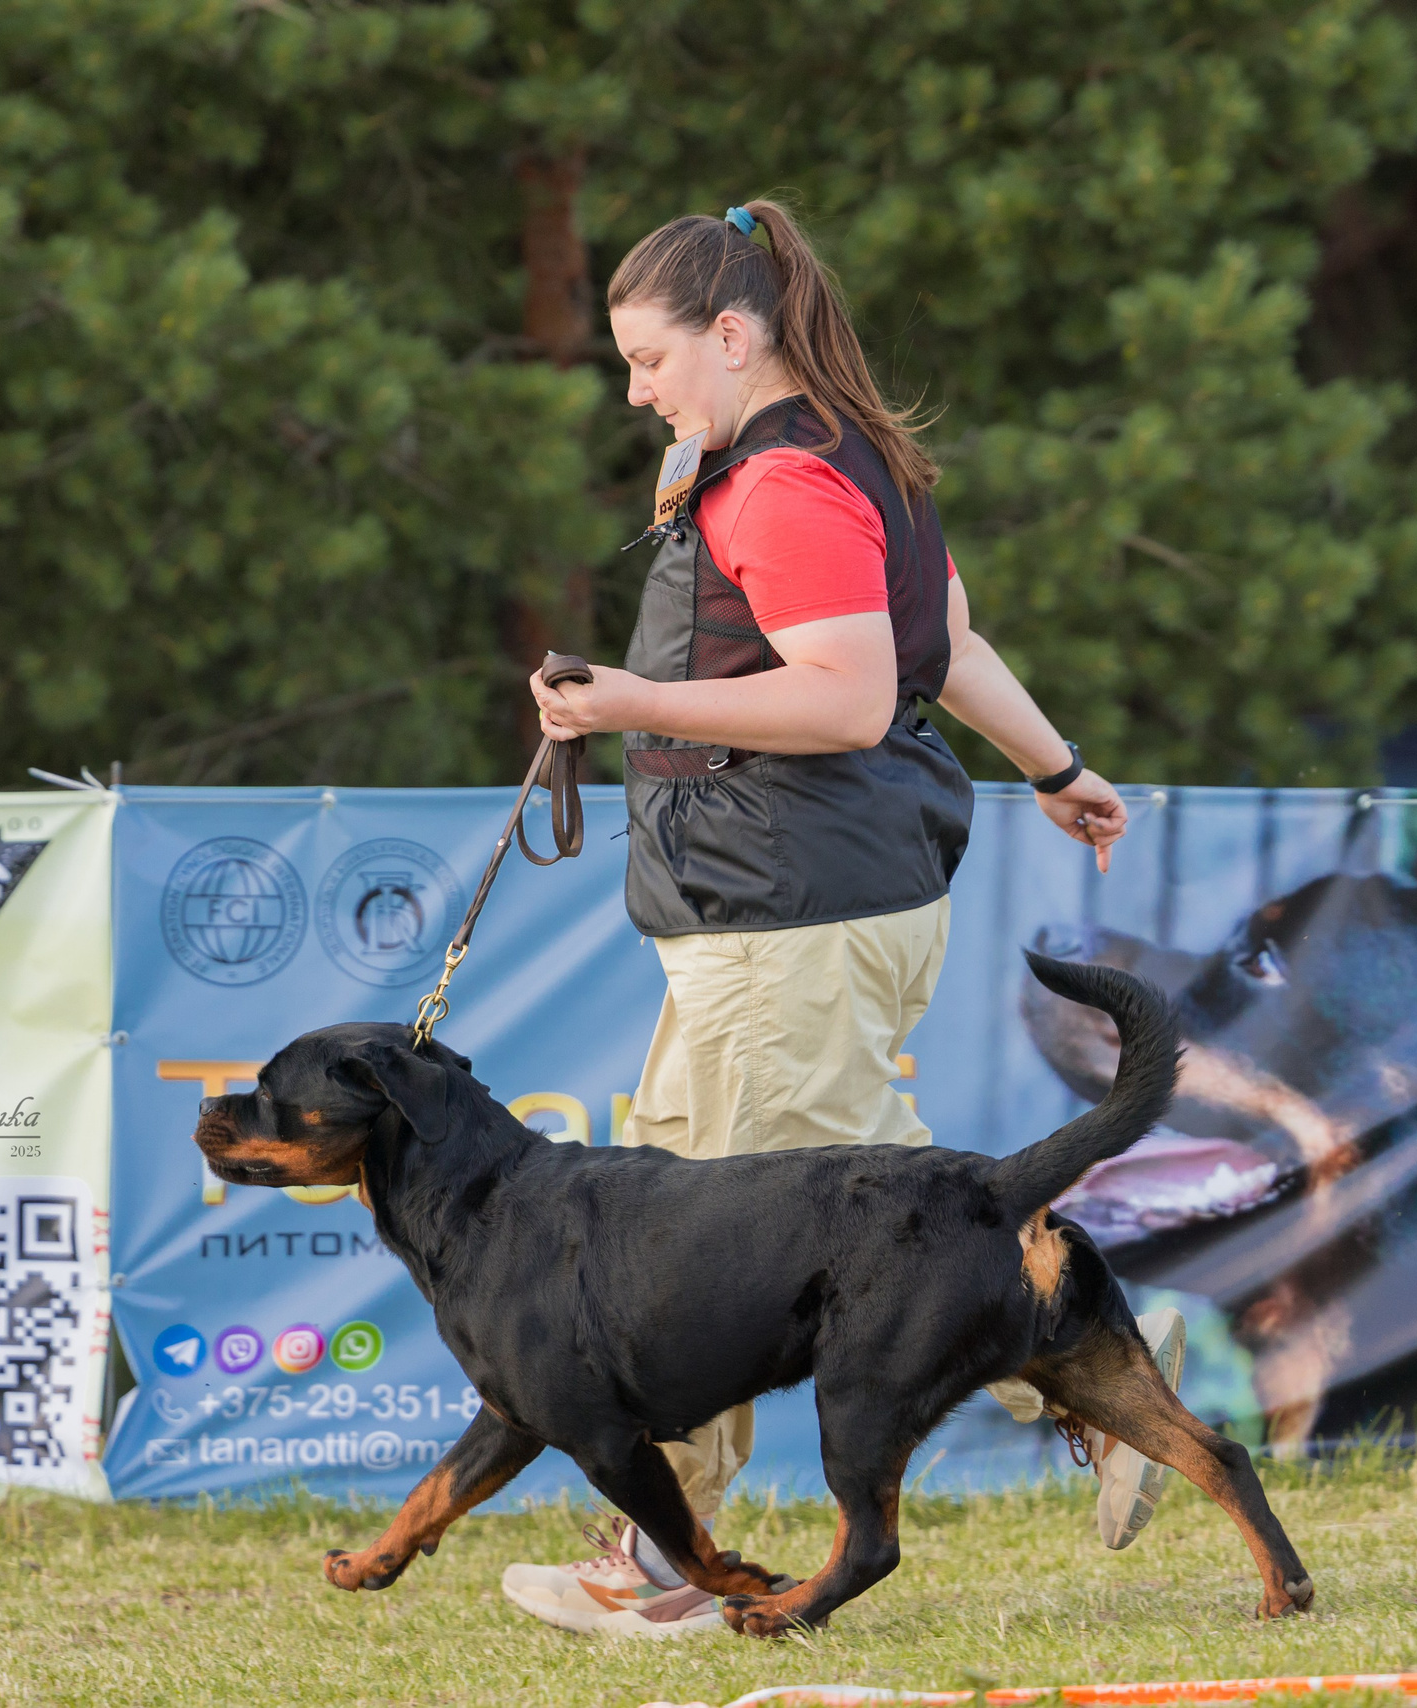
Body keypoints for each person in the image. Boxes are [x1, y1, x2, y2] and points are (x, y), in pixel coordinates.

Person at [496, 201, 1184, 1639]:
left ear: (732, 336)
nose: (635, 391)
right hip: (786, 906)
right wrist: (1054, 767)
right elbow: (954, 637)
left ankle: (668, 1565)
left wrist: (628, 703)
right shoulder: (839, 453)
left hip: (788, 911)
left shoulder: (789, 483)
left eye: (647, 358)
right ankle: (1093, 1372)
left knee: (747, 1252)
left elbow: (853, 695)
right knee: (704, 1225)